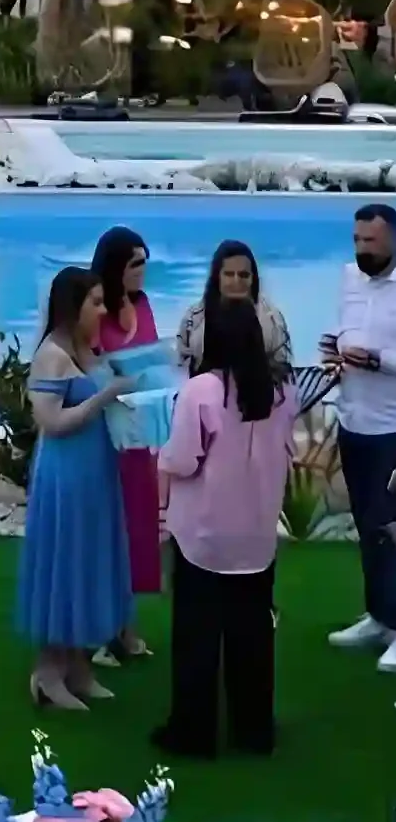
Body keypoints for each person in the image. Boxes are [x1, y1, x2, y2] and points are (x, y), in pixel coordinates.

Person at [154, 299, 295, 757]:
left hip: (205, 535)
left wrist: (160, 457)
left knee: (197, 637)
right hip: (256, 535)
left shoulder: (201, 391)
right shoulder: (282, 392)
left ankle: (193, 733)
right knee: (253, 634)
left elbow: (182, 460)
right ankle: (254, 731)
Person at [14, 266, 132, 711]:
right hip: (65, 476)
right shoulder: (51, 355)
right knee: (64, 566)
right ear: (72, 306)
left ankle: (78, 667)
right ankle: (48, 671)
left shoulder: (87, 349)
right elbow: (52, 422)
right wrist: (105, 396)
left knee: (85, 563)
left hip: (94, 473)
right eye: (95, 303)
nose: (102, 311)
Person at [321, 203, 396, 671]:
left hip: (392, 427)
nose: (362, 249)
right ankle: (379, 616)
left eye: (371, 241)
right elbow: (341, 329)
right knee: (369, 528)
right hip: (353, 421)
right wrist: (332, 349)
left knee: (392, 529)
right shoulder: (349, 278)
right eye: (357, 240)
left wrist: (375, 360)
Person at [91, 226, 161, 657]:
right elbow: (88, 365)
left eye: (144, 264)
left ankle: (126, 626)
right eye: (135, 264)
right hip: (104, 431)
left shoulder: (144, 305)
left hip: (139, 430)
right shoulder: (95, 309)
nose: (141, 271)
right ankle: (100, 629)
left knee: (137, 528)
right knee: (107, 531)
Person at [173, 240, 293, 376]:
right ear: (217, 278)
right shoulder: (193, 319)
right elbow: (182, 371)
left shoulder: (273, 321)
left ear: (253, 279)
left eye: (244, 275)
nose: (236, 281)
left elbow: (282, 372)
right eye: (229, 274)